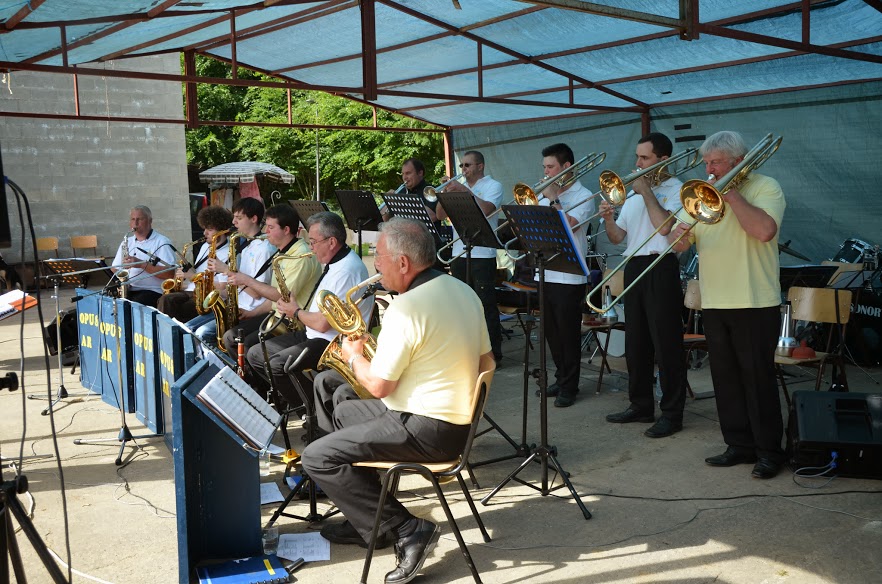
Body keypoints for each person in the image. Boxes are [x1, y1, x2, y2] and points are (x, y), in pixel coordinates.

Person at [301, 218, 491, 584]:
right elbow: (487, 361)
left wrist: (354, 353)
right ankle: (371, 520)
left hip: (425, 427)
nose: (375, 265)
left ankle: (406, 528)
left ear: (404, 263)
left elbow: (378, 386)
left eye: (380, 257)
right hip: (452, 422)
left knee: (316, 456)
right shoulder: (463, 290)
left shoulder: (407, 308)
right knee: (344, 409)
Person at [669, 130, 786, 479]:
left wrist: (730, 193)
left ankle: (769, 451)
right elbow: (678, 243)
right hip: (715, 301)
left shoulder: (766, 187)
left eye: (716, 162)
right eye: (706, 162)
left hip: (753, 300)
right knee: (725, 379)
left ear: (737, 161)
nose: (709, 169)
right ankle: (738, 444)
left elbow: (764, 231)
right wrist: (678, 234)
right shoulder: (704, 194)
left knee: (757, 378)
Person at [602, 133, 688, 438]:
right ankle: (640, 405)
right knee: (635, 341)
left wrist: (647, 192)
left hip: (661, 264)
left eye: (644, 158)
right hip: (635, 264)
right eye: (637, 157)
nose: (637, 163)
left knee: (666, 345)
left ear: (663, 160)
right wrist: (609, 219)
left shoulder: (678, 190)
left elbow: (666, 229)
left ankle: (672, 412)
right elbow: (617, 239)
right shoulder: (634, 195)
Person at [245, 211, 372, 407]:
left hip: (331, 342)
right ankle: (301, 401)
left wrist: (294, 312)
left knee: (278, 364)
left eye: (313, 242)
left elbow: (322, 324)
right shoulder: (334, 261)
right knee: (255, 354)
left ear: (331, 242)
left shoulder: (346, 270)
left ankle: (312, 410)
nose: (311, 248)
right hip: (313, 333)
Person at [220, 204, 321, 360]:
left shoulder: (300, 256)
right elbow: (275, 298)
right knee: (231, 337)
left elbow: (281, 296)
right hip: (277, 314)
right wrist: (252, 313)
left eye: (270, 227)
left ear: (286, 230)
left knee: (246, 346)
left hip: (293, 320)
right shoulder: (282, 251)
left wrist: (246, 280)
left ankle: (257, 383)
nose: (265, 232)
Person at [536, 143, 595, 408]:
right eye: (545, 167)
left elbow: (570, 225)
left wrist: (554, 199)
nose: (546, 172)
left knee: (568, 333)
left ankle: (570, 385)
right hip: (546, 271)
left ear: (566, 167)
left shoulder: (585, 194)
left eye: (550, 167)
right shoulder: (543, 194)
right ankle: (560, 377)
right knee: (551, 333)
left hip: (570, 275)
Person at [435, 150, 505, 364]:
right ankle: (466, 351)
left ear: (480, 166)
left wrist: (465, 191)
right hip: (459, 252)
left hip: (483, 253)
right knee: (460, 306)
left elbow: (487, 210)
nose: (463, 170)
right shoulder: (459, 187)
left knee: (485, 306)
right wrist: (444, 195)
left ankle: (494, 355)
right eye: (462, 166)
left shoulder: (494, 186)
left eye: (467, 165)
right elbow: (439, 216)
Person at [186, 198, 275, 347]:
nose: (233, 222)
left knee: (202, 334)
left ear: (254, 219)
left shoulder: (264, 249)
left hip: (250, 309)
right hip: (236, 305)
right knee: (188, 328)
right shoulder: (245, 244)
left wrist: (226, 270)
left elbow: (256, 293)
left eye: (239, 218)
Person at [156, 205, 232, 322]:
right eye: (204, 228)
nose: (204, 233)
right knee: (164, 299)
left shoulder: (228, 252)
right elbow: (197, 272)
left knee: (168, 302)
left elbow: (222, 286)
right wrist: (184, 276)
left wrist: (193, 277)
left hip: (206, 296)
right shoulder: (205, 246)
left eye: (210, 229)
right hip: (191, 291)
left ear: (222, 231)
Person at [111, 205, 176, 307]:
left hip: (154, 291)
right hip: (130, 289)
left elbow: (170, 273)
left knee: (132, 306)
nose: (135, 223)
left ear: (150, 221)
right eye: (133, 219)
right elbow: (115, 267)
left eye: (140, 219)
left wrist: (141, 264)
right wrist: (124, 280)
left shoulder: (162, 242)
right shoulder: (127, 242)